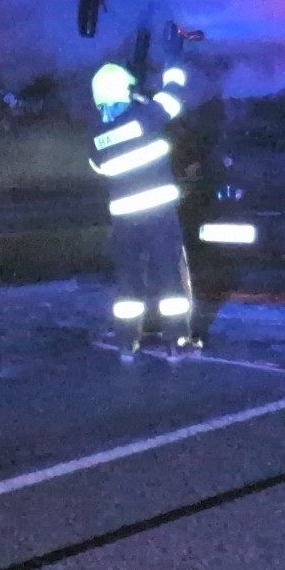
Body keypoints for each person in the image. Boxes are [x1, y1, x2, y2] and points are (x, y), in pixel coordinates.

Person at [88, 60, 196, 360]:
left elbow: (98, 167)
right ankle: (176, 342)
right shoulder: (144, 117)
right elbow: (172, 99)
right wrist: (174, 64)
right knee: (169, 276)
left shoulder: (96, 135)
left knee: (128, 281)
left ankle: (126, 342)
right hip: (158, 214)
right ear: (124, 91)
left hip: (124, 221)